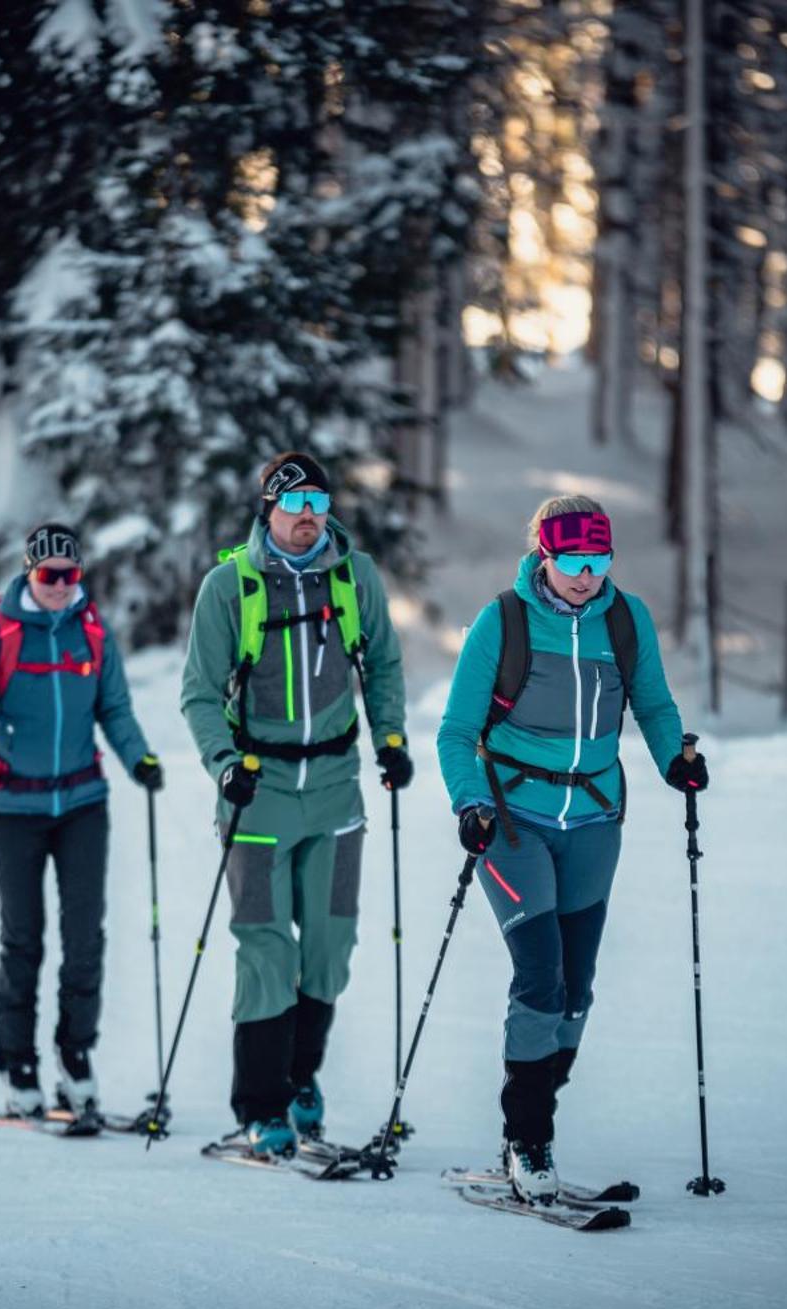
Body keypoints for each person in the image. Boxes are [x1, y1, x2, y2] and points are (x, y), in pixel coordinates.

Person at [433, 496, 709, 1204]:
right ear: (543, 556)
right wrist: (471, 802)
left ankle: (530, 1119)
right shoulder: (505, 621)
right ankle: (529, 1137)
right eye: (572, 563)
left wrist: (673, 760)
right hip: (513, 819)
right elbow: (456, 731)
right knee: (541, 975)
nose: (586, 577)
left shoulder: (626, 619)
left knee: (577, 987)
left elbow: (651, 703)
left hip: (593, 819)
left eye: (598, 561)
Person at [179, 452, 410, 1156]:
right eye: (293, 500)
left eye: (318, 498)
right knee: (265, 948)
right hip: (260, 794)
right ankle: (260, 1101)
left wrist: (391, 738)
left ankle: (300, 1078)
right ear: (268, 509)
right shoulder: (230, 586)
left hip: (336, 788)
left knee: (333, 944)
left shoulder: (353, 575)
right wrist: (224, 766)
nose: (308, 513)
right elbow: (198, 693)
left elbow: (386, 663)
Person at [0, 522, 162, 1119]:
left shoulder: (92, 633)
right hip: (13, 808)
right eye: (49, 575)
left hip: (83, 803)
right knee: (22, 940)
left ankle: (75, 1056)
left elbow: (113, 709)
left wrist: (138, 757)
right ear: (30, 572)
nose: (61, 586)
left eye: (71, 575)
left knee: (86, 937)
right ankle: (18, 1065)